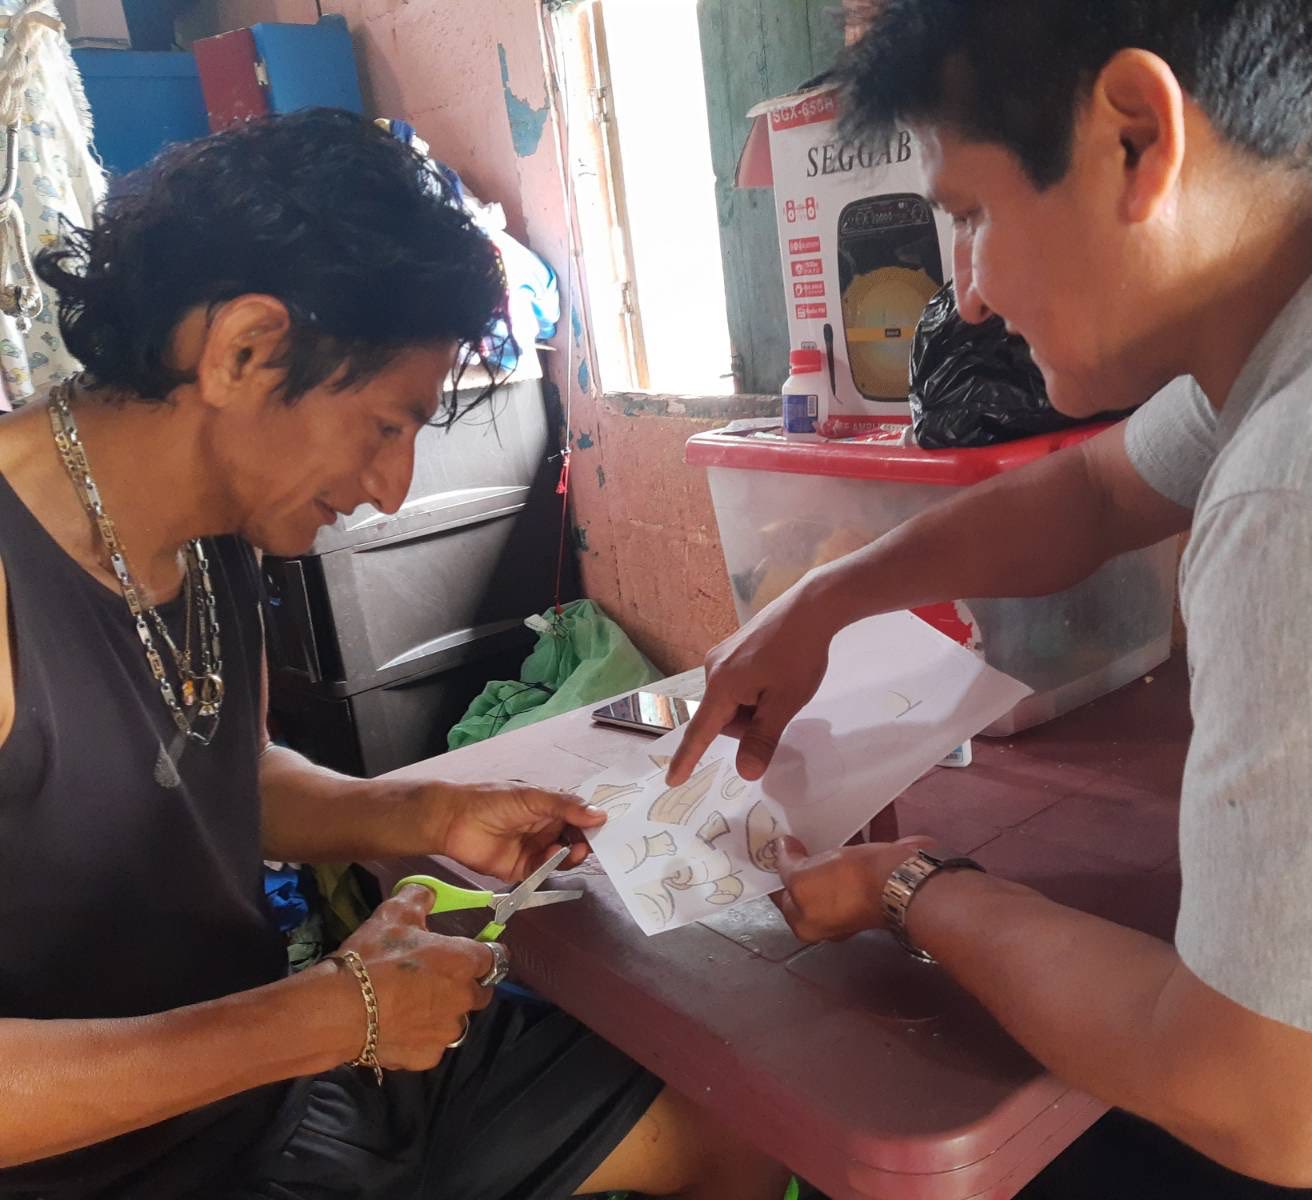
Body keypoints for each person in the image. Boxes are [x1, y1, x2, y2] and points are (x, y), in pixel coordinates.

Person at [667, 2, 1312, 1197]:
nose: (972, 296)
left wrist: (916, 889)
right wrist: (826, 600)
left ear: (1135, 136)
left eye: (974, 216)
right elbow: (1098, 492)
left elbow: (1260, 1104)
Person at [0, 108, 788, 1200]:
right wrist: (333, 1013)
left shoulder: (214, 530)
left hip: (278, 1085)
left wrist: (420, 815)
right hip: (111, 1165)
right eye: (385, 425)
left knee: (731, 1128)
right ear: (244, 350)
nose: (391, 488)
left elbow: (223, 775)